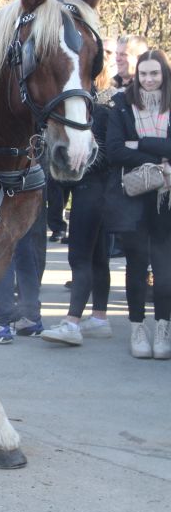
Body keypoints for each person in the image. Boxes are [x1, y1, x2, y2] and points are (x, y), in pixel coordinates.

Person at [105, 49, 171, 359]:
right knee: (135, 264)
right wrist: (161, 156)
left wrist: (141, 144)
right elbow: (115, 150)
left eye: (154, 73)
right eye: (143, 73)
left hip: (166, 198)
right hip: (132, 195)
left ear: (164, 74)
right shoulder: (121, 104)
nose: (148, 79)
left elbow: (131, 147)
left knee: (164, 266)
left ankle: (162, 327)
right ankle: (137, 327)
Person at [41, 86, 112, 345]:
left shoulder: (96, 115)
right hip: (98, 191)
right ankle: (99, 317)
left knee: (80, 257)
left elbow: (106, 154)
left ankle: (72, 323)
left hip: (89, 190)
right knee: (98, 256)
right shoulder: (101, 111)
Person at [0, 207, 47, 343]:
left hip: (10, 191)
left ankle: (0, 323)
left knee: (3, 248)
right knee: (24, 249)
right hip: (32, 190)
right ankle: (31, 317)